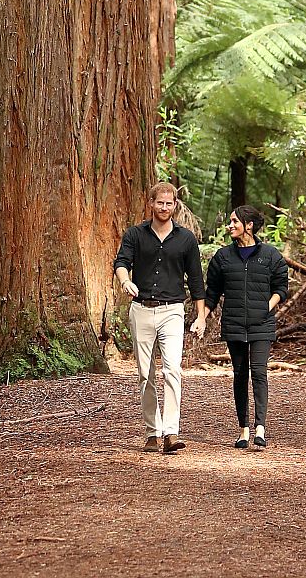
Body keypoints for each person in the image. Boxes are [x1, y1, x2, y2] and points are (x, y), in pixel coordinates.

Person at [114, 181, 207, 454]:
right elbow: (121, 263)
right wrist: (125, 282)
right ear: (151, 204)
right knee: (146, 374)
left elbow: (196, 279)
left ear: (174, 206)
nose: (164, 208)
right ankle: (153, 431)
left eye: (169, 203)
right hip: (141, 309)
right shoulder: (135, 234)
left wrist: (200, 315)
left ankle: (171, 432)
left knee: (172, 370)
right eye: (160, 203)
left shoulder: (186, 239)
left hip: (172, 310)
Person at [205, 204, 289, 450]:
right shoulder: (223, 257)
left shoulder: (270, 255)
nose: (230, 225)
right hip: (233, 323)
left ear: (249, 225)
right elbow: (212, 292)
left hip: (261, 324)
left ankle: (260, 428)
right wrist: (202, 317)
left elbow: (281, 287)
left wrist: (267, 306)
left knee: (259, 372)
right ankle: (243, 429)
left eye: (235, 221)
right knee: (240, 375)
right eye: (230, 221)